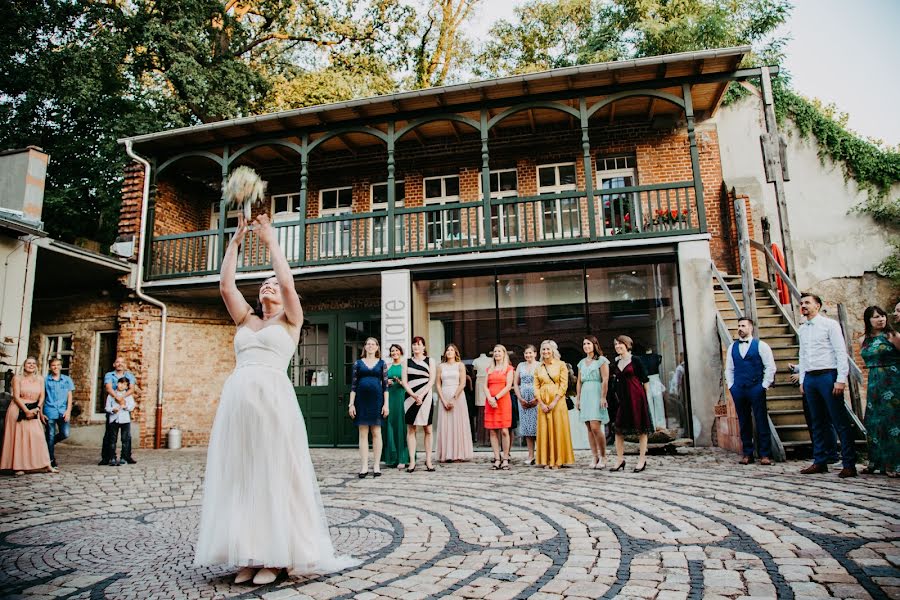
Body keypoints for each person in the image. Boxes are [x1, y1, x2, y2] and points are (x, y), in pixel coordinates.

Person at [195, 213, 355, 585]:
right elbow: (224, 286)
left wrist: (271, 243)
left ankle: (276, 556)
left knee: (273, 475)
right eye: (263, 284)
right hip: (238, 404)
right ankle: (248, 554)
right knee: (243, 476)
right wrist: (235, 242)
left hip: (273, 403)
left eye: (273, 285)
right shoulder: (245, 321)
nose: (269, 286)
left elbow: (286, 278)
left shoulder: (290, 322)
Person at [797, 293, 857, 478]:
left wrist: (840, 379)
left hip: (828, 375)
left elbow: (840, 352)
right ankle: (820, 460)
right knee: (817, 421)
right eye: (802, 303)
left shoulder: (829, 325)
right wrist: (802, 380)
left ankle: (849, 463)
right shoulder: (803, 329)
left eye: (807, 302)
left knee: (839, 420)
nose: (803, 305)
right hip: (811, 378)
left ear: (818, 305)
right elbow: (803, 354)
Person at [725, 318, 776, 465]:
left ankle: (765, 454)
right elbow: (729, 368)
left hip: (756, 387)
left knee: (761, 420)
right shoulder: (732, 347)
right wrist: (731, 386)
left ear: (751, 328)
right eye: (739, 326)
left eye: (743, 326)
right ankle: (747, 453)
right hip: (739, 388)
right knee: (744, 421)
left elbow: (770, 367)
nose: (740, 328)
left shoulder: (761, 346)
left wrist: (764, 385)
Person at [859, 305, 900, 477]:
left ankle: (894, 463)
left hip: (893, 381)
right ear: (868, 320)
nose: (881, 319)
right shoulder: (864, 340)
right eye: (876, 317)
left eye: (882, 315)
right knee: (875, 421)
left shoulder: (893, 336)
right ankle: (876, 461)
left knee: (893, 422)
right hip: (874, 383)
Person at [1, 356, 52, 475]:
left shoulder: (39, 379)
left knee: (38, 436)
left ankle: (46, 464)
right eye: (29, 363)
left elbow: (42, 396)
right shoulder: (17, 378)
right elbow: (16, 396)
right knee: (19, 437)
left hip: (34, 408)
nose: (31, 365)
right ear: (24, 365)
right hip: (19, 408)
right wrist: (26, 411)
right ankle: (18, 466)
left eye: (34, 363)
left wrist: (38, 408)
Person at [610, 335, 652, 473]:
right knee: (618, 429)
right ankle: (620, 459)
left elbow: (645, 380)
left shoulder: (636, 360)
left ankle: (641, 459)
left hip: (636, 397)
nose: (617, 346)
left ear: (627, 345)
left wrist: (645, 400)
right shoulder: (616, 363)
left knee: (641, 428)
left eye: (620, 344)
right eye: (616, 344)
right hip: (623, 399)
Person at [348, 337, 389, 478]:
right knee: (363, 433)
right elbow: (353, 386)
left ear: (377, 347)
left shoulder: (382, 363)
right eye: (368, 344)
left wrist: (386, 404)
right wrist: (351, 404)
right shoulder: (358, 363)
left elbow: (385, 386)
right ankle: (364, 465)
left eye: (373, 344)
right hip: (361, 401)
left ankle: (376, 465)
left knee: (377, 432)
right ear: (364, 347)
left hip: (377, 400)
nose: (370, 346)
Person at [534, 340, 574, 469]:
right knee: (544, 430)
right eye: (543, 349)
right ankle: (546, 460)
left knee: (557, 428)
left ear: (553, 351)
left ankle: (558, 460)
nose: (545, 352)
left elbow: (564, 385)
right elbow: (535, 386)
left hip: (557, 401)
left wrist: (554, 402)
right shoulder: (538, 367)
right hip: (543, 401)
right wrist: (541, 403)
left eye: (548, 349)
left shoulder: (561, 364)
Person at [402, 335, 436, 473]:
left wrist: (421, 395)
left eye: (419, 344)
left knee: (428, 429)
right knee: (411, 429)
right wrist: (413, 394)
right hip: (410, 398)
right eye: (414, 344)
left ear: (424, 347)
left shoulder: (430, 361)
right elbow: (404, 381)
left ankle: (428, 460)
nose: (416, 347)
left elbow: (432, 380)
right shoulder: (407, 362)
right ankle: (412, 462)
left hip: (426, 396)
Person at [576, 336, 610, 469]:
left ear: (595, 344)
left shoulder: (601, 361)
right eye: (584, 344)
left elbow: (605, 379)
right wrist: (578, 398)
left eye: (588, 343)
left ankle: (603, 456)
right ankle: (594, 456)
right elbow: (579, 381)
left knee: (596, 427)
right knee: (589, 428)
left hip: (596, 392)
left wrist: (603, 397)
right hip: (585, 394)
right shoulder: (581, 362)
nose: (586, 346)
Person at [436, 343, 473, 462]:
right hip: (444, 395)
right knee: (446, 424)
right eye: (448, 350)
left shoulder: (460, 365)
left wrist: (453, 398)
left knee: (458, 423)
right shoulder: (440, 366)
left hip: (457, 396)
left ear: (455, 352)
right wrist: (443, 400)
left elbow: (462, 383)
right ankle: (446, 454)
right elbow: (437, 384)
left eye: (452, 350)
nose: (450, 352)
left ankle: (458, 453)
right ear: (445, 353)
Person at [100, 357, 138, 466]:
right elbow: (109, 388)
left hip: (124, 407)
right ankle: (107, 457)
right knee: (110, 435)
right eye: (117, 362)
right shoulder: (109, 375)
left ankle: (126, 456)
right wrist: (117, 397)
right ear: (114, 364)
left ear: (125, 364)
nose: (119, 364)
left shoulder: (129, 375)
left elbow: (131, 389)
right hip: (114, 407)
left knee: (126, 436)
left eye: (122, 362)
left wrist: (123, 398)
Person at [484, 344, 514, 470]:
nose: (497, 353)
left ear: (504, 353)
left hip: (503, 401)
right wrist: (490, 399)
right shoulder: (489, 369)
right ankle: (497, 458)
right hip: (490, 402)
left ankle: (506, 458)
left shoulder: (509, 368)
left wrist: (496, 398)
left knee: (504, 430)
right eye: (495, 351)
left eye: (499, 351)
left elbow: (508, 386)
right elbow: (485, 386)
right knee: (492, 430)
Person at [43, 357, 74, 471]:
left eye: (57, 365)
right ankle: (51, 460)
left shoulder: (66, 380)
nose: (55, 367)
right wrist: (41, 412)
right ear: (50, 367)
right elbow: (42, 397)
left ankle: (46, 445)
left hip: (62, 411)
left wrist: (68, 411)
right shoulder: (45, 380)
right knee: (50, 435)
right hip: (49, 410)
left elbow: (69, 396)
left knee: (65, 433)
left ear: (61, 366)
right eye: (53, 365)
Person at [382, 344, 410, 470]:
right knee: (390, 426)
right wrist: (385, 382)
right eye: (392, 351)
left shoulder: (405, 365)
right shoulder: (387, 366)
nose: (394, 353)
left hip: (401, 397)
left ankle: (403, 458)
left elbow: (409, 383)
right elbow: (381, 382)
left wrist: (401, 382)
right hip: (390, 397)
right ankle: (391, 458)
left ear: (400, 352)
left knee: (401, 426)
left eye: (396, 350)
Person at [514, 344, 539, 465]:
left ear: (535, 353)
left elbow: (543, 383)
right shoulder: (520, 365)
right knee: (528, 429)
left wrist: (537, 398)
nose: (528, 355)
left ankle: (541, 454)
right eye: (526, 353)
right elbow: (516, 383)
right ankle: (530, 455)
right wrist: (520, 398)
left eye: (530, 353)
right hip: (523, 400)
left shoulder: (539, 365)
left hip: (537, 400)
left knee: (538, 428)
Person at [104, 377, 136, 466]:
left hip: (125, 420)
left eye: (124, 384)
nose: (122, 386)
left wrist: (125, 406)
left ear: (127, 387)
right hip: (114, 419)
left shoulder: (128, 396)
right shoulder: (111, 395)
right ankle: (112, 457)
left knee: (125, 440)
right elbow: (107, 407)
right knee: (112, 440)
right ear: (117, 383)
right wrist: (112, 410)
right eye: (120, 383)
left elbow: (132, 406)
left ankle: (123, 457)